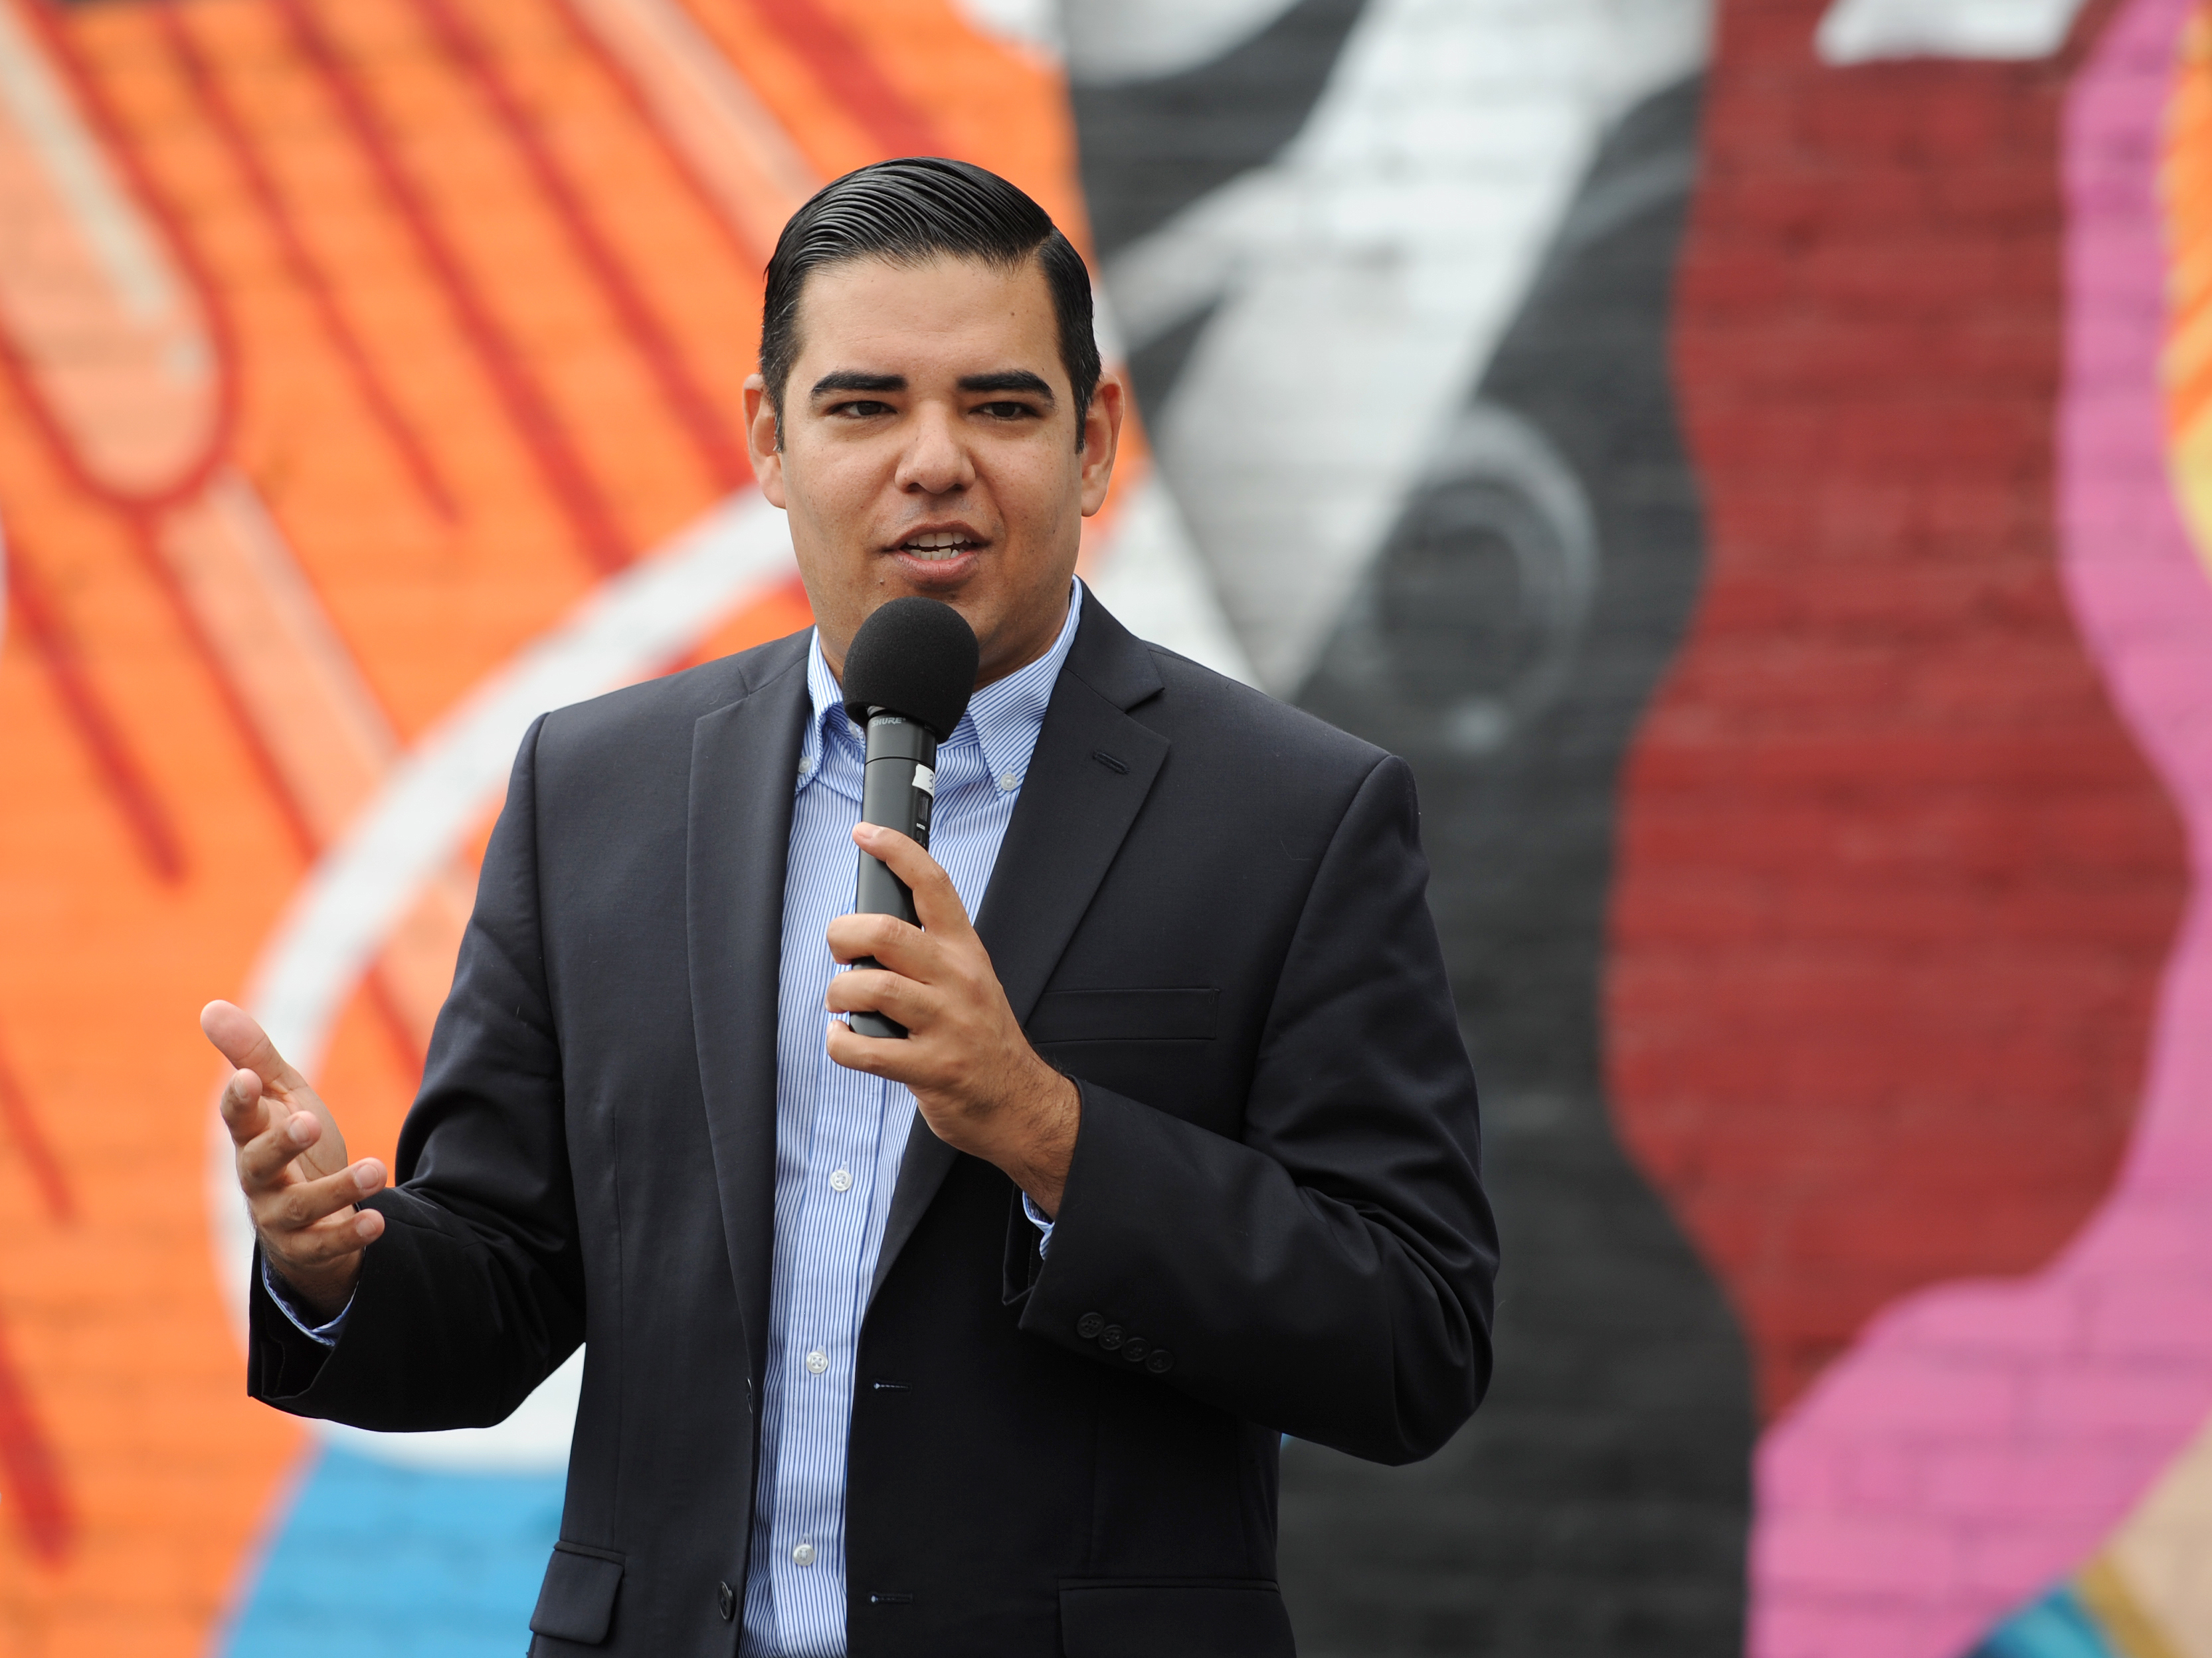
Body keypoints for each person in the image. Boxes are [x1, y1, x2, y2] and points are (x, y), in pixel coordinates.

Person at [202, 157, 1497, 1658]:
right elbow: (505, 1285)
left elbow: (1413, 1341)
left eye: (1000, 407)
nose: (933, 462)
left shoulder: (1292, 816)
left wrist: (1050, 1132)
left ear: (1093, 442)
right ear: (771, 439)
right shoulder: (597, 791)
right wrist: (334, 1265)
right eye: (865, 406)